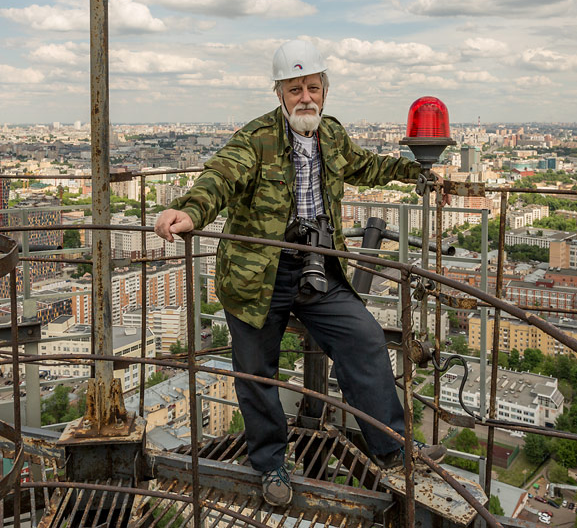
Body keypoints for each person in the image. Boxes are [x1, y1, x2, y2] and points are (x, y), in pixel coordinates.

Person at [155, 39, 445, 508]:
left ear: (324, 91)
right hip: (257, 275)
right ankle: (270, 463)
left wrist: (416, 173)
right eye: (295, 89)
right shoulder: (257, 138)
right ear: (279, 94)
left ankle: (392, 449)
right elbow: (223, 176)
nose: (305, 97)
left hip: (317, 267)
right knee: (256, 374)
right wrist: (190, 210)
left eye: (312, 87)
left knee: (364, 339)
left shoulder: (330, 134)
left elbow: (364, 165)